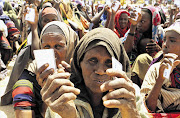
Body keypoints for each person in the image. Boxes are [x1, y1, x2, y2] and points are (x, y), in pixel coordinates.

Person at [40, 28, 148, 118]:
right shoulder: (63, 96)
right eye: (92, 61)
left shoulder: (131, 94)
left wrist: (131, 113)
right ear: (79, 63)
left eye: (109, 62)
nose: (100, 71)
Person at [2, 21, 79, 118]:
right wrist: (46, 89)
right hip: (40, 111)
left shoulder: (80, 69)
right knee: (21, 87)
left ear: (70, 45)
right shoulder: (34, 70)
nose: (52, 52)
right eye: (46, 46)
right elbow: (44, 111)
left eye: (58, 46)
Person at [141, 20, 180, 114]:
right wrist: (160, 80)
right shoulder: (156, 69)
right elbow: (148, 109)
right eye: (165, 40)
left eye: (172, 40)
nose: (165, 45)